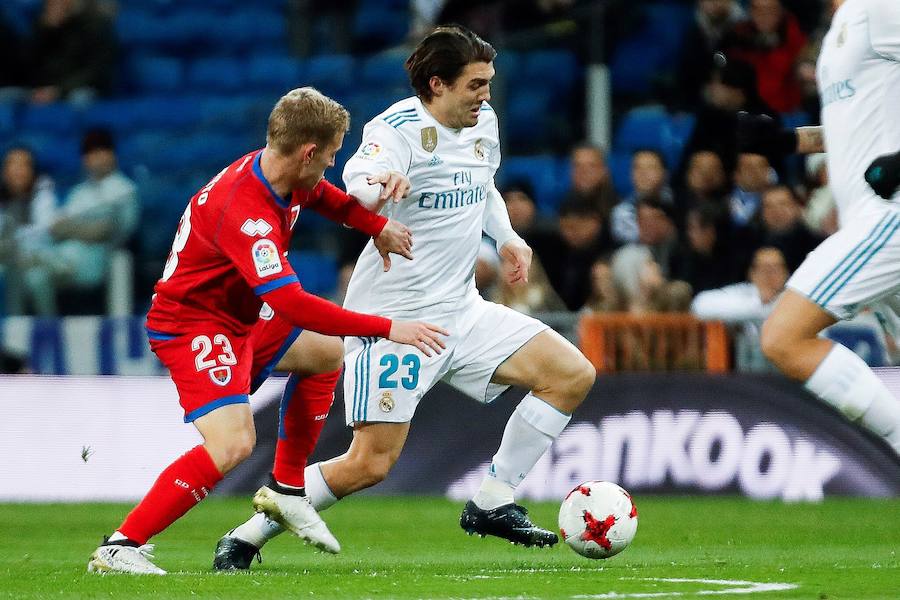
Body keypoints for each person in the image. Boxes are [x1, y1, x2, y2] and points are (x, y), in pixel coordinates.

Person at [216, 26, 596, 569]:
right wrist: (380, 185)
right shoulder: (395, 128)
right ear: (437, 85)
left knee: (572, 376)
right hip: (394, 322)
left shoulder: (481, 122)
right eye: (475, 85)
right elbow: (355, 181)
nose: (486, 95)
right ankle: (244, 537)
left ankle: (493, 500)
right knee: (368, 465)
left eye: (489, 83)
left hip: (462, 311)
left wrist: (508, 237)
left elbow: (483, 185)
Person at [88, 88, 448, 575]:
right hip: (194, 323)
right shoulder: (247, 212)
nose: (333, 163)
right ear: (308, 152)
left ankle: (285, 487)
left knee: (323, 354)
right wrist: (388, 327)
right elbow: (292, 303)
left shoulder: (282, 172)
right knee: (232, 444)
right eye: (332, 154)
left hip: (239, 315)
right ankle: (119, 546)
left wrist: (372, 226)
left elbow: (321, 195)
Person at [737, 0, 900, 456]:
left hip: (887, 218)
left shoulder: (880, 9)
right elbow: (859, 125)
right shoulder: (838, 29)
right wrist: (789, 141)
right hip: (872, 219)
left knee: (784, 337)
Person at [19, 129, 138, 315]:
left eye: (102, 150)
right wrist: (83, 228)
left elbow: (107, 231)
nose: (96, 157)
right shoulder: (79, 192)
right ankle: (45, 333)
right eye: (90, 152)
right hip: (64, 254)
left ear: (112, 154)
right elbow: (56, 227)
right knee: (34, 277)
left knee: (38, 268)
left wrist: (74, 228)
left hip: (99, 259)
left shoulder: (124, 189)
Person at [0, 146, 58, 314]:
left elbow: (44, 231)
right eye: (13, 165)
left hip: (37, 260)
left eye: (23, 165)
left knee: (38, 278)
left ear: (32, 171)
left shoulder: (44, 191)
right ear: (4, 171)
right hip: (6, 262)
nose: (18, 171)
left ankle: (48, 332)